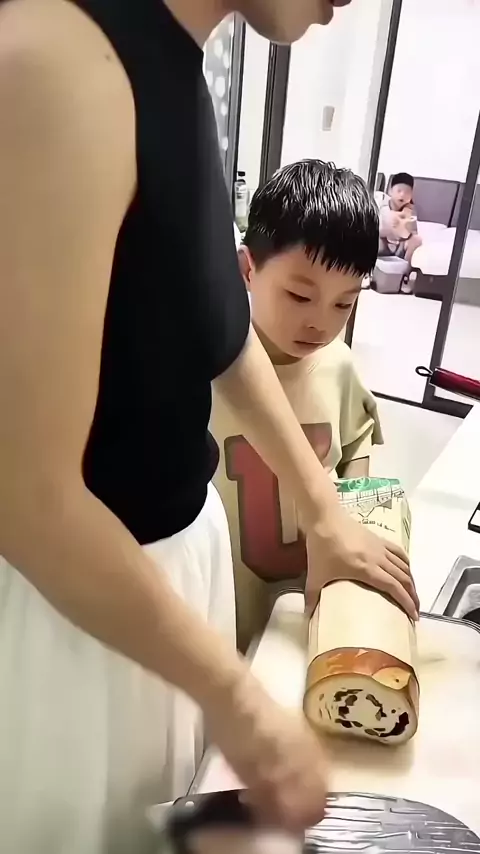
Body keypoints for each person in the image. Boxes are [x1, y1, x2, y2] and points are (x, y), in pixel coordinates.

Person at [0, 1, 418, 852]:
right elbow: (28, 500)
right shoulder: (54, 63)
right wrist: (234, 695)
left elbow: (214, 327)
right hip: (76, 611)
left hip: (171, 587)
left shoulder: (175, 63)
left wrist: (325, 510)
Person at [212, 160, 385, 650]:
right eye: (299, 295)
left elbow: (357, 459)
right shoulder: (209, 372)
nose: (320, 323)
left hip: (311, 609)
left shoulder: (339, 367)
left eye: (343, 303)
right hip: (225, 606)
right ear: (248, 269)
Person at [378, 172, 423, 278]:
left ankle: (405, 274)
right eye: (399, 191)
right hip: (383, 244)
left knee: (417, 240)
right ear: (390, 191)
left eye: (407, 192)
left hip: (400, 247)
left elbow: (413, 233)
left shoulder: (411, 211)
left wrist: (406, 227)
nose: (402, 195)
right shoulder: (382, 206)